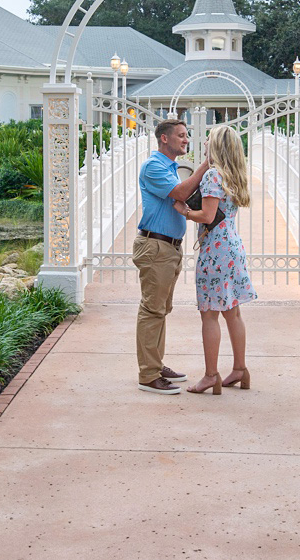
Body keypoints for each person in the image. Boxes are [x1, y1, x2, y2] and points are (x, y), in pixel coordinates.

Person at [133, 118, 211, 395]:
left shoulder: (170, 167)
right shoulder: (154, 166)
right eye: (181, 135)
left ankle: (155, 363)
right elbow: (179, 193)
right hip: (156, 247)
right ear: (164, 138)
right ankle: (148, 375)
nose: (186, 140)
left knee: (160, 310)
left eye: (186, 135)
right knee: (152, 310)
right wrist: (207, 163)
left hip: (167, 248)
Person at [177, 125, 255, 395]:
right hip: (233, 247)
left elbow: (207, 216)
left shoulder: (213, 175)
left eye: (208, 141)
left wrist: (185, 211)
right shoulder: (235, 174)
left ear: (216, 146)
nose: (205, 145)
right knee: (233, 312)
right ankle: (240, 369)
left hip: (215, 252)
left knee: (209, 315)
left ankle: (211, 375)